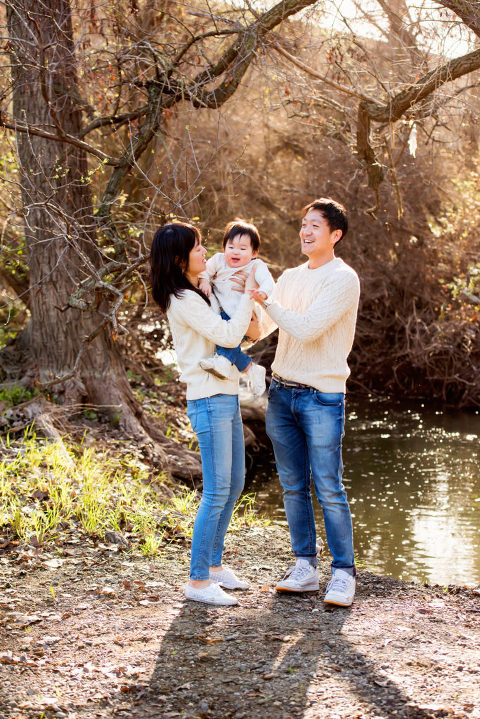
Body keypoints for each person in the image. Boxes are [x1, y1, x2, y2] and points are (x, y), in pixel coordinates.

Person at [251, 197, 360, 607]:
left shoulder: (343, 279)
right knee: (293, 485)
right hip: (281, 392)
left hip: (322, 395)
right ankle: (305, 568)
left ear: (335, 235)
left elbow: (308, 328)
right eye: (303, 224)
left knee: (328, 485)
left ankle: (344, 573)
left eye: (315, 225)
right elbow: (264, 326)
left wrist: (268, 302)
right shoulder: (291, 276)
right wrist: (227, 327)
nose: (306, 231)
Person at [150, 221, 258, 606]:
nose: (204, 252)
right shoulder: (183, 299)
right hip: (208, 398)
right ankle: (197, 582)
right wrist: (247, 293)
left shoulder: (197, 289)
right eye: (196, 248)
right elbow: (228, 337)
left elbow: (215, 264)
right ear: (179, 259)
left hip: (225, 394)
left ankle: (213, 566)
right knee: (215, 491)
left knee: (235, 484)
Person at [198, 219, 274, 396]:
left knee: (226, 338)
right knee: (224, 334)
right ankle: (251, 369)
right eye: (231, 246)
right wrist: (205, 281)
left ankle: (224, 363)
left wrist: (262, 292)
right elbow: (203, 272)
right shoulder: (218, 260)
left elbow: (268, 282)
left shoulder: (256, 265)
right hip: (224, 312)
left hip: (245, 314)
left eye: (242, 248)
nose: (235, 252)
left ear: (254, 252)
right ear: (224, 247)